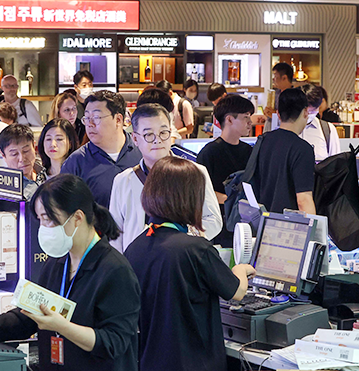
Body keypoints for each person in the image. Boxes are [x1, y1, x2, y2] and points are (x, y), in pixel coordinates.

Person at [124, 156, 255, 371]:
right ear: (190, 198)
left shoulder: (136, 247)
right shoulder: (196, 249)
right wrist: (241, 269)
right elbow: (236, 292)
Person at [0, 175, 141, 371]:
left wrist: (62, 326)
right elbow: (25, 319)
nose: (44, 228)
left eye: (49, 220)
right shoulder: (57, 263)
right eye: (40, 220)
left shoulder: (115, 270)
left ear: (77, 218)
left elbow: (113, 342)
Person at [109, 104, 222, 253]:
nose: (158, 140)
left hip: (182, 258)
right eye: (149, 134)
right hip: (136, 262)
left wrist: (182, 238)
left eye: (163, 132)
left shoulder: (195, 172)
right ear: (135, 138)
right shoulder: (123, 181)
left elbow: (214, 220)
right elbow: (115, 234)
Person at [61, 90, 142, 208]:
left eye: (96, 117)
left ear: (118, 120)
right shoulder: (76, 162)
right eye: (87, 118)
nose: (90, 124)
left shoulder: (142, 152)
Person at [197, 95, 254, 246]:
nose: (250, 122)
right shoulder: (209, 153)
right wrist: (232, 200)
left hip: (247, 223)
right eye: (245, 117)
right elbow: (200, 192)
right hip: (219, 225)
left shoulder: (250, 151)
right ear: (229, 119)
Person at [255, 88, 316, 214]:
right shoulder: (302, 149)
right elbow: (303, 200)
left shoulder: (263, 140)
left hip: (263, 220)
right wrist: (314, 225)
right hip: (289, 223)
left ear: (278, 114)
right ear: (306, 112)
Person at [0, 123, 44, 200]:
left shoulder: (47, 173)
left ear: (34, 147)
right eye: (14, 154)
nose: (22, 159)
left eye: (26, 151)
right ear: (3, 155)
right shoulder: (5, 190)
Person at [300, 83, 341, 162]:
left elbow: (335, 163)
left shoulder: (328, 130)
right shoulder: (288, 129)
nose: (307, 114)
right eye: (305, 110)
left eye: (312, 111)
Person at [264, 62, 293, 132]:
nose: (273, 79)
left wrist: (275, 115)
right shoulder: (275, 93)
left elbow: (293, 118)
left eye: (275, 76)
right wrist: (267, 112)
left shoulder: (295, 96)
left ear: (284, 78)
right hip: (269, 128)